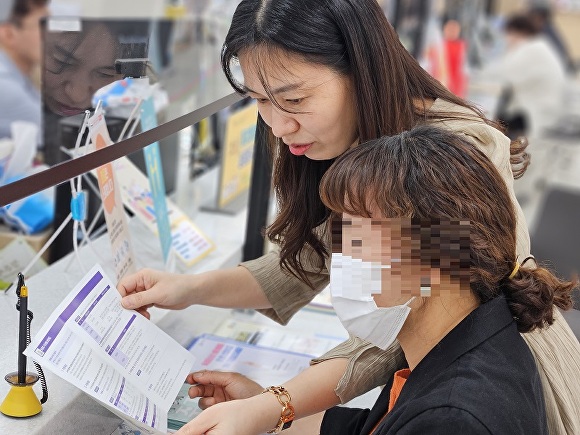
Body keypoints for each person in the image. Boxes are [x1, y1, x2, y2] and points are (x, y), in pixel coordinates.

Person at [117, 1, 580, 434]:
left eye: (293, 100)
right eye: (258, 100)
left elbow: (413, 320)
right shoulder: (343, 140)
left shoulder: (451, 151)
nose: (278, 125)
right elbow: (303, 263)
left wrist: (273, 405)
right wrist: (185, 289)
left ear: (360, 70)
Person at [180, 126, 576, 434]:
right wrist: (261, 407)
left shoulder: (453, 418)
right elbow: (366, 428)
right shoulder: (456, 342)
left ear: (436, 252)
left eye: (356, 234)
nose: (341, 256)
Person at [478, 14, 566, 140]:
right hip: (542, 108)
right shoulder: (539, 45)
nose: (507, 39)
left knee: (490, 119)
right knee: (496, 111)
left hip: (536, 113)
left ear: (519, 33)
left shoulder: (531, 49)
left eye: (508, 34)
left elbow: (502, 73)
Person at [0, 0, 48, 147]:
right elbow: (60, 138)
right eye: (43, 26)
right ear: (9, 34)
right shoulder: (5, 86)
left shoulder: (20, 75)